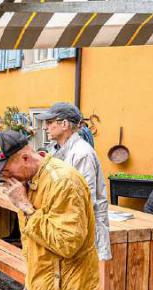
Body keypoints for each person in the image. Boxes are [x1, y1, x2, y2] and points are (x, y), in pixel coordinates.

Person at [0, 131, 98, 290]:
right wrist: (32, 279)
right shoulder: (29, 180)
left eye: (6, 171)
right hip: (41, 285)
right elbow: (33, 240)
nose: (5, 179)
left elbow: (67, 244)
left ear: (25, 158)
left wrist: (26, 207)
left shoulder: (63, 181)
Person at [39, 102, 112, 261]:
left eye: (49, 122)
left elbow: (85, 199)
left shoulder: (82, 153)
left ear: (64, 124)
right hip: (63, 226)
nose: (45, 127)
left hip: (79, 231)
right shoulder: (55, 149)